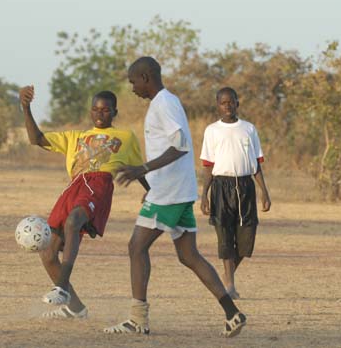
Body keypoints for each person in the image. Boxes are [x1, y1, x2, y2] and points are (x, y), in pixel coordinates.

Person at [104, 57, 246, 338]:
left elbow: (179, 145)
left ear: (146, 77)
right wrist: (150, 183)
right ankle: (232, 313)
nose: (132, 88)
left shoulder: (164, 103)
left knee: (136, 247)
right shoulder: (166, 102)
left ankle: (137, 320)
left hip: (169, 192)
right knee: (188, 255)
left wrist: (141, 170)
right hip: (176, 190)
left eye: (133, 82)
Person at [19, 86, 146, 319]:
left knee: (74, 220)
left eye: (106, 110)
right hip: (74, 187)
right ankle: (76, 308)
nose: (100, 114)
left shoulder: (126, 137)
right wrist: (26, 107)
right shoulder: (74, 137)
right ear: (90, 111)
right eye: (96, 109)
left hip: (98, 184)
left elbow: (139, 170)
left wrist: (152, 191)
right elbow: (35, 138)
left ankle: (61, 287)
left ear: (114, 112)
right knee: (47, 253)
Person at [199, 87, 271, 299]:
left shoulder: (248, 129)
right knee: (224, 236)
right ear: (217, 105)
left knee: (246, 240)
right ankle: (230, 285)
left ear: (238, 103)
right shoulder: (212, 130)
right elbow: (208, 165)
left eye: (231, 102)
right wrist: (205, 195)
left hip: (245, 186)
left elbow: (256, 163)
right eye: (223, 102)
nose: (227, 106)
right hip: (222, 186)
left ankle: (225, 277)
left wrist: (264, 191)